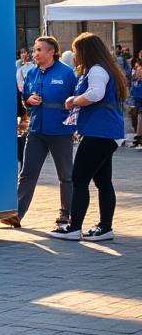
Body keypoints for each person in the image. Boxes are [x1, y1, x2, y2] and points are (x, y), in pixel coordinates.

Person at [50, 32, 126, 242]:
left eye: (76, 51)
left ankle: (74, 228)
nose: (75, 56)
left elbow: (95, 94)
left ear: (85, 51)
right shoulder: (103, 68)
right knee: (103, 181)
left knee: (78, 179)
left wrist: (74, 100)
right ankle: (105, 227)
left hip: (99, 132)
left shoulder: (97, 70)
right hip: (107, 132)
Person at [2, 36, 76, 228]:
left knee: (65, 175)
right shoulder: (31, 73)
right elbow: (25, 99)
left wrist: (75, 126)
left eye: (39, 50)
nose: (34, 53)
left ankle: (66, 215)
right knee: (27, 173)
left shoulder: (67, 73)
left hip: (61, 131)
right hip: (36, 130)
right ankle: (17, 213)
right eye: (34, 50)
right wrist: (28, 101)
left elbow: (76, 101)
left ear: (52, 52)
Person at [130, 57, 142, 148]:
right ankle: (138, 137)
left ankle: (139, 138)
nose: (136, 71)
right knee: (138, 119)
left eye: (138, 69)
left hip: (139, 103)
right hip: (137, 103)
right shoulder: (136, 81)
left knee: (139, 118)